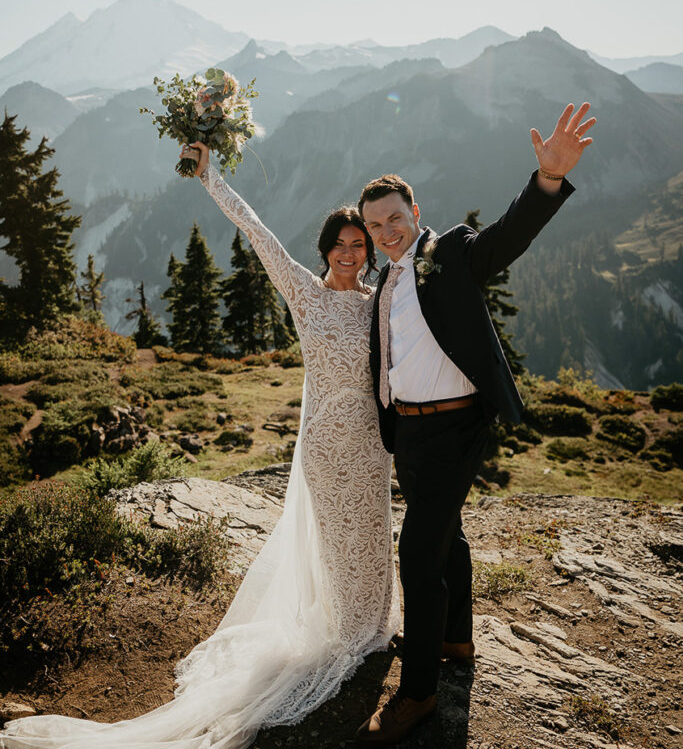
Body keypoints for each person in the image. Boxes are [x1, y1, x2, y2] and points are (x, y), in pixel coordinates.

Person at [1, 141, 400, 749]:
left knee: (372, 531)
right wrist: (210, 175)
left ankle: (375, 627)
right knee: (338, 537)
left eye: (359, 245)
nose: (350, 253)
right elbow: (257, 229)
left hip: (373, 444)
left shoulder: (379, 304)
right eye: (340, 244)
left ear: (369, 252)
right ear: (325, 250)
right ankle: (348, 633)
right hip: (324, 443)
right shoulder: (303, 292)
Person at [355, 102, 596, 745]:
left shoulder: (449, 253)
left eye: (395, 219)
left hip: (456, 428)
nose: (386, 231)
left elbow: (507, 237)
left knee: (416, 552)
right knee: (447, 536)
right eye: (374, 224)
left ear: (415, 212)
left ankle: (418, 693)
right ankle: (457, 641)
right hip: (408, 431)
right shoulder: (384, 283)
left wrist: (546, 180)